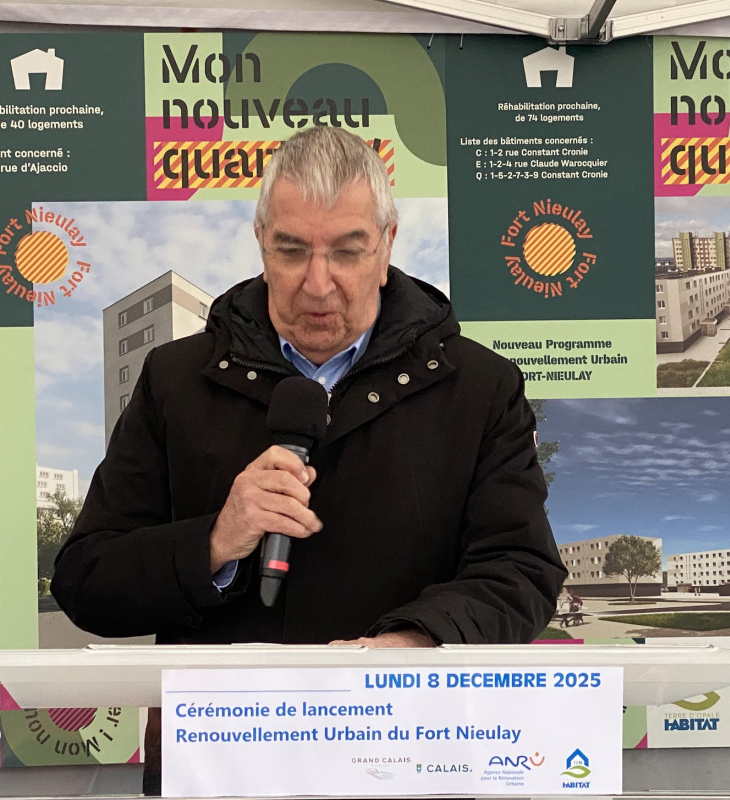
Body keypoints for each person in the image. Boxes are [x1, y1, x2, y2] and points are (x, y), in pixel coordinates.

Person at [51, 126, 567, 794]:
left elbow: (520, 570)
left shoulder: (480, 387)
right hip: (223, 767)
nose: (318, 285)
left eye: (347, 251)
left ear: (387, 243)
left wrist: (416, 644)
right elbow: (86, 581)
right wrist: (214, 542)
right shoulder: (174, 380)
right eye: (292, 251)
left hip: (408, 757)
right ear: (261, 240)